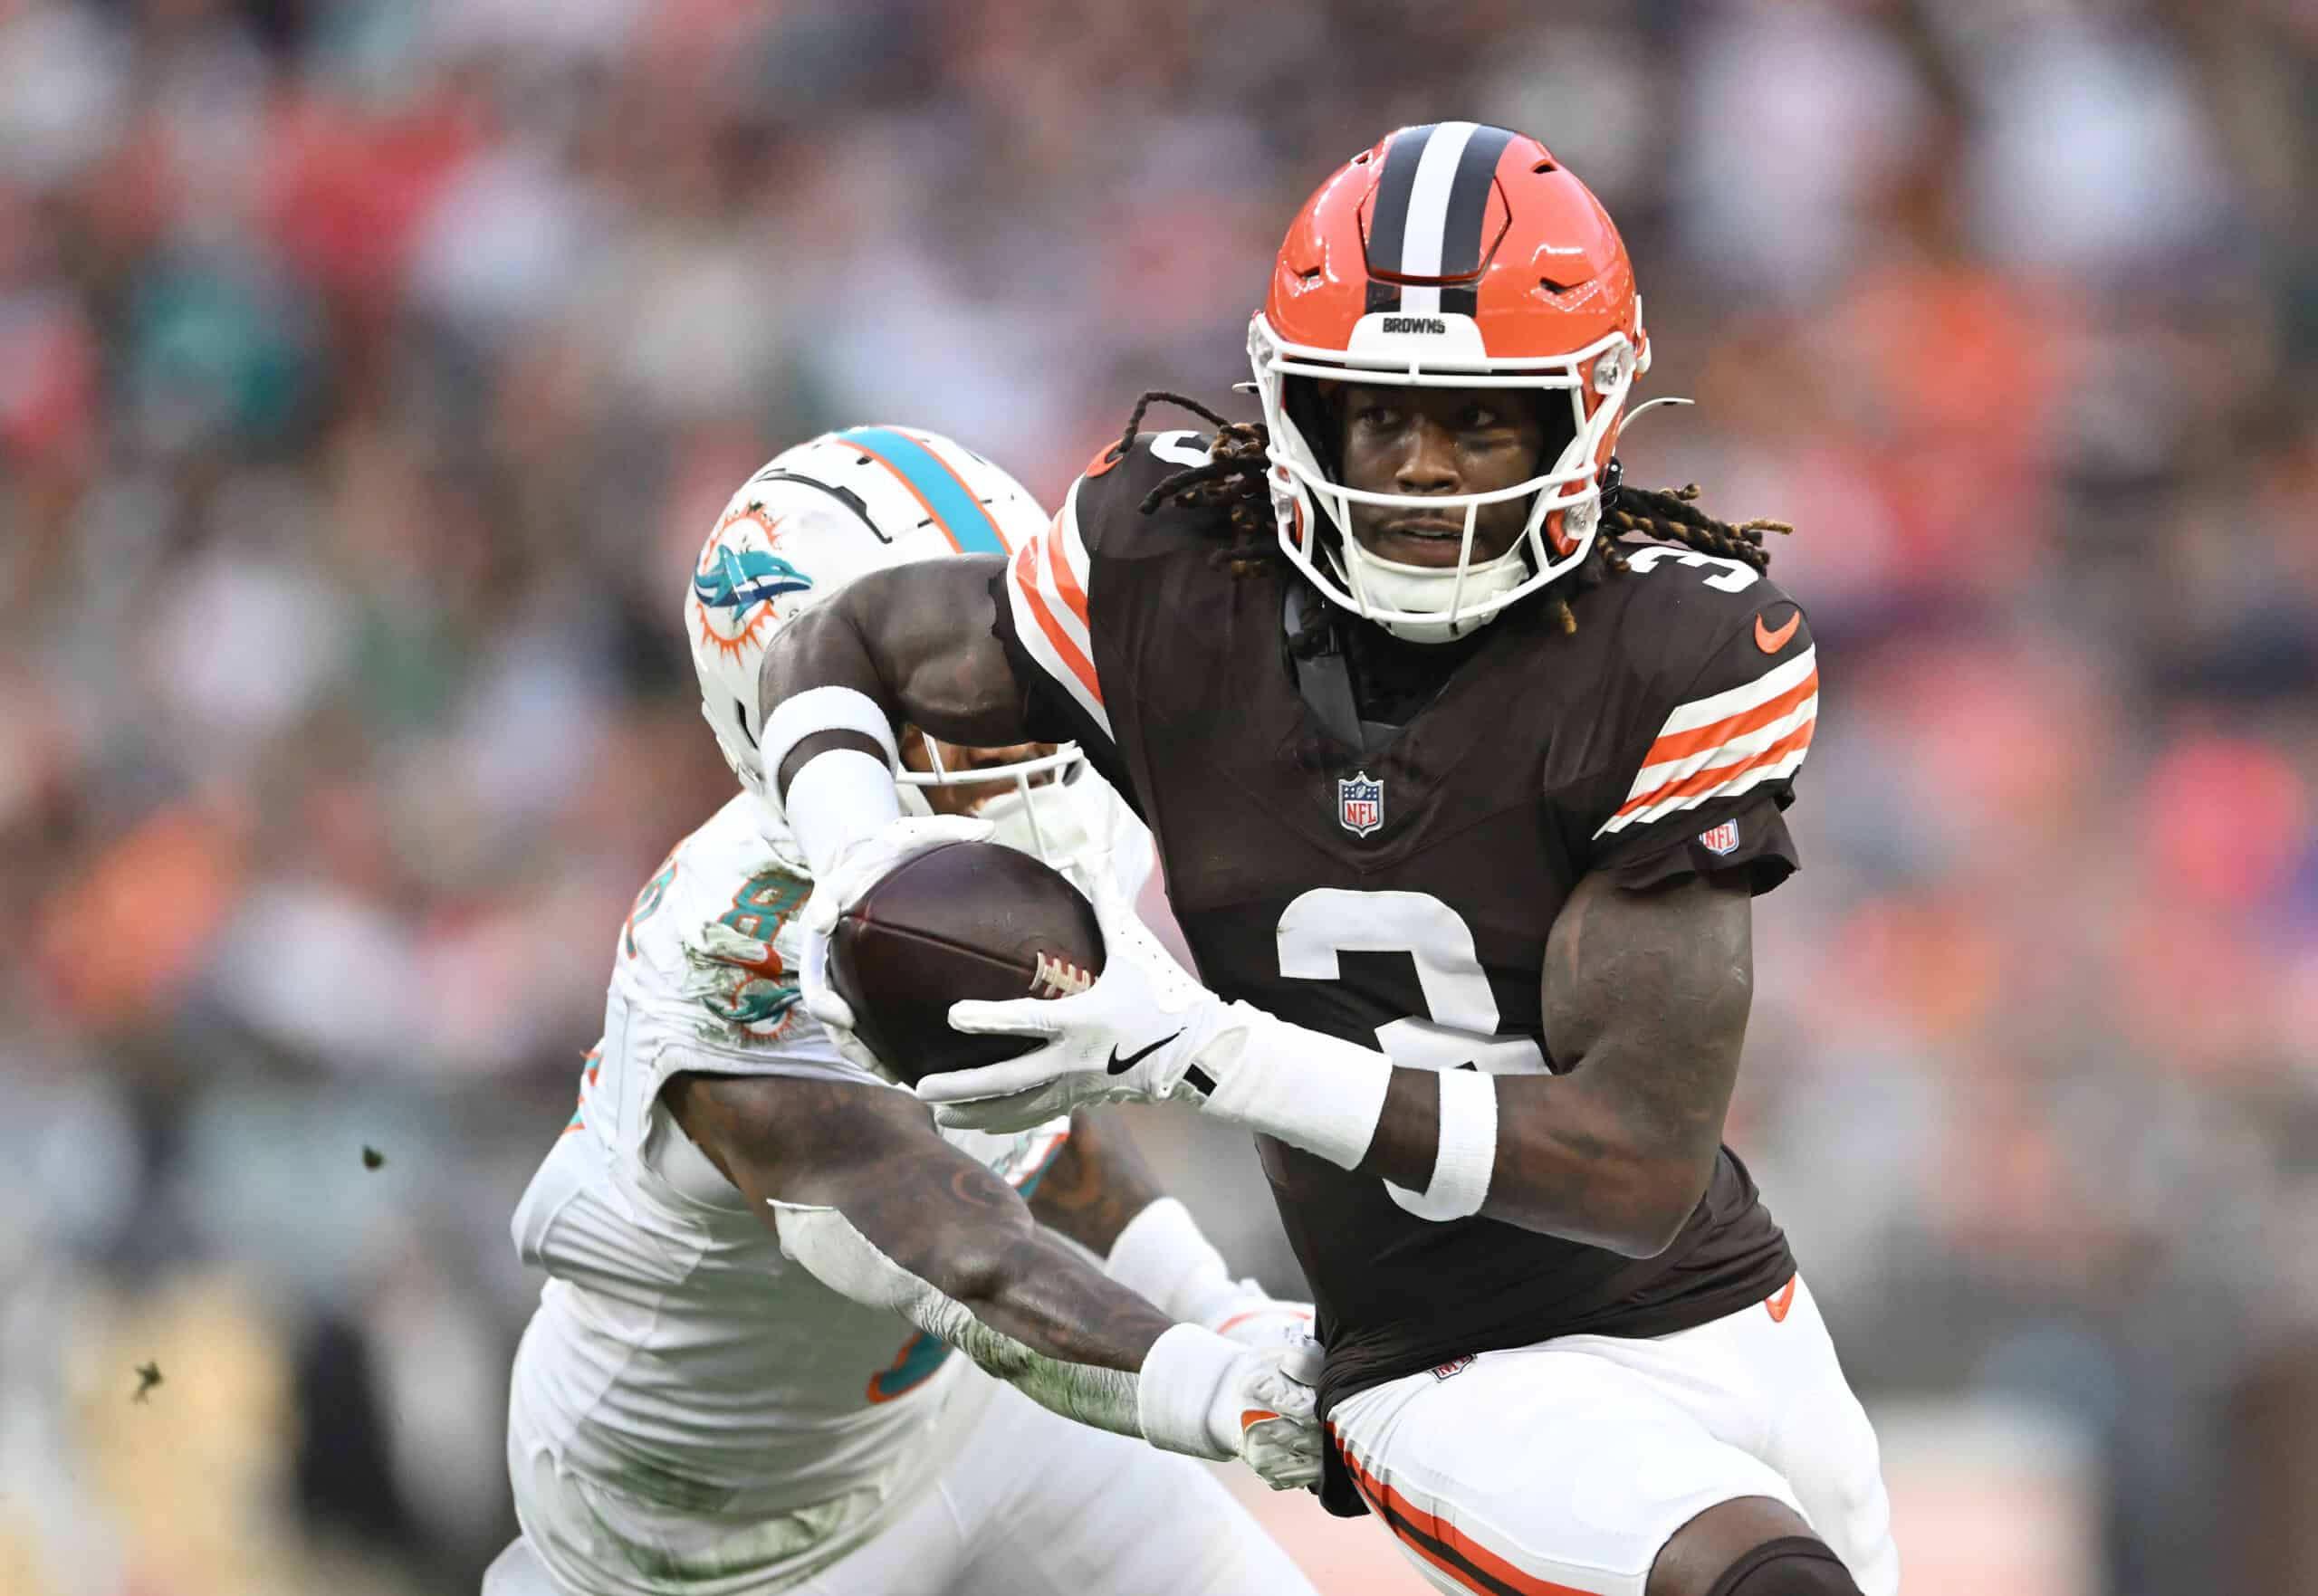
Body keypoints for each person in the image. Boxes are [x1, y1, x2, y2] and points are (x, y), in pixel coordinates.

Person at [757, 128, 1901, 1596]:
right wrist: (856, 854)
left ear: (1584, 419)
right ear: (1298, 410)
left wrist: (1199, 1048)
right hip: (1444, 1361)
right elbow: (835, 639)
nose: (1422, 470)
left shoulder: (1675, 654)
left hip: (1720, 1307)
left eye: (1480, 423)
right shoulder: (1174, 579)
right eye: (1378, 414)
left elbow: (1631, 1167)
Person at [484, 425, 1325, 1596]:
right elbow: (963, 1251)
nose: (1011, 724)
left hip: (976, 1425)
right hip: (701, 1550)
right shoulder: (735, 957)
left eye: (1005, 663)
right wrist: (1212, 1386)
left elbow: (1029, 1118)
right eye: (924, 688)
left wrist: (1219, 1314)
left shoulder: (1054, 806)